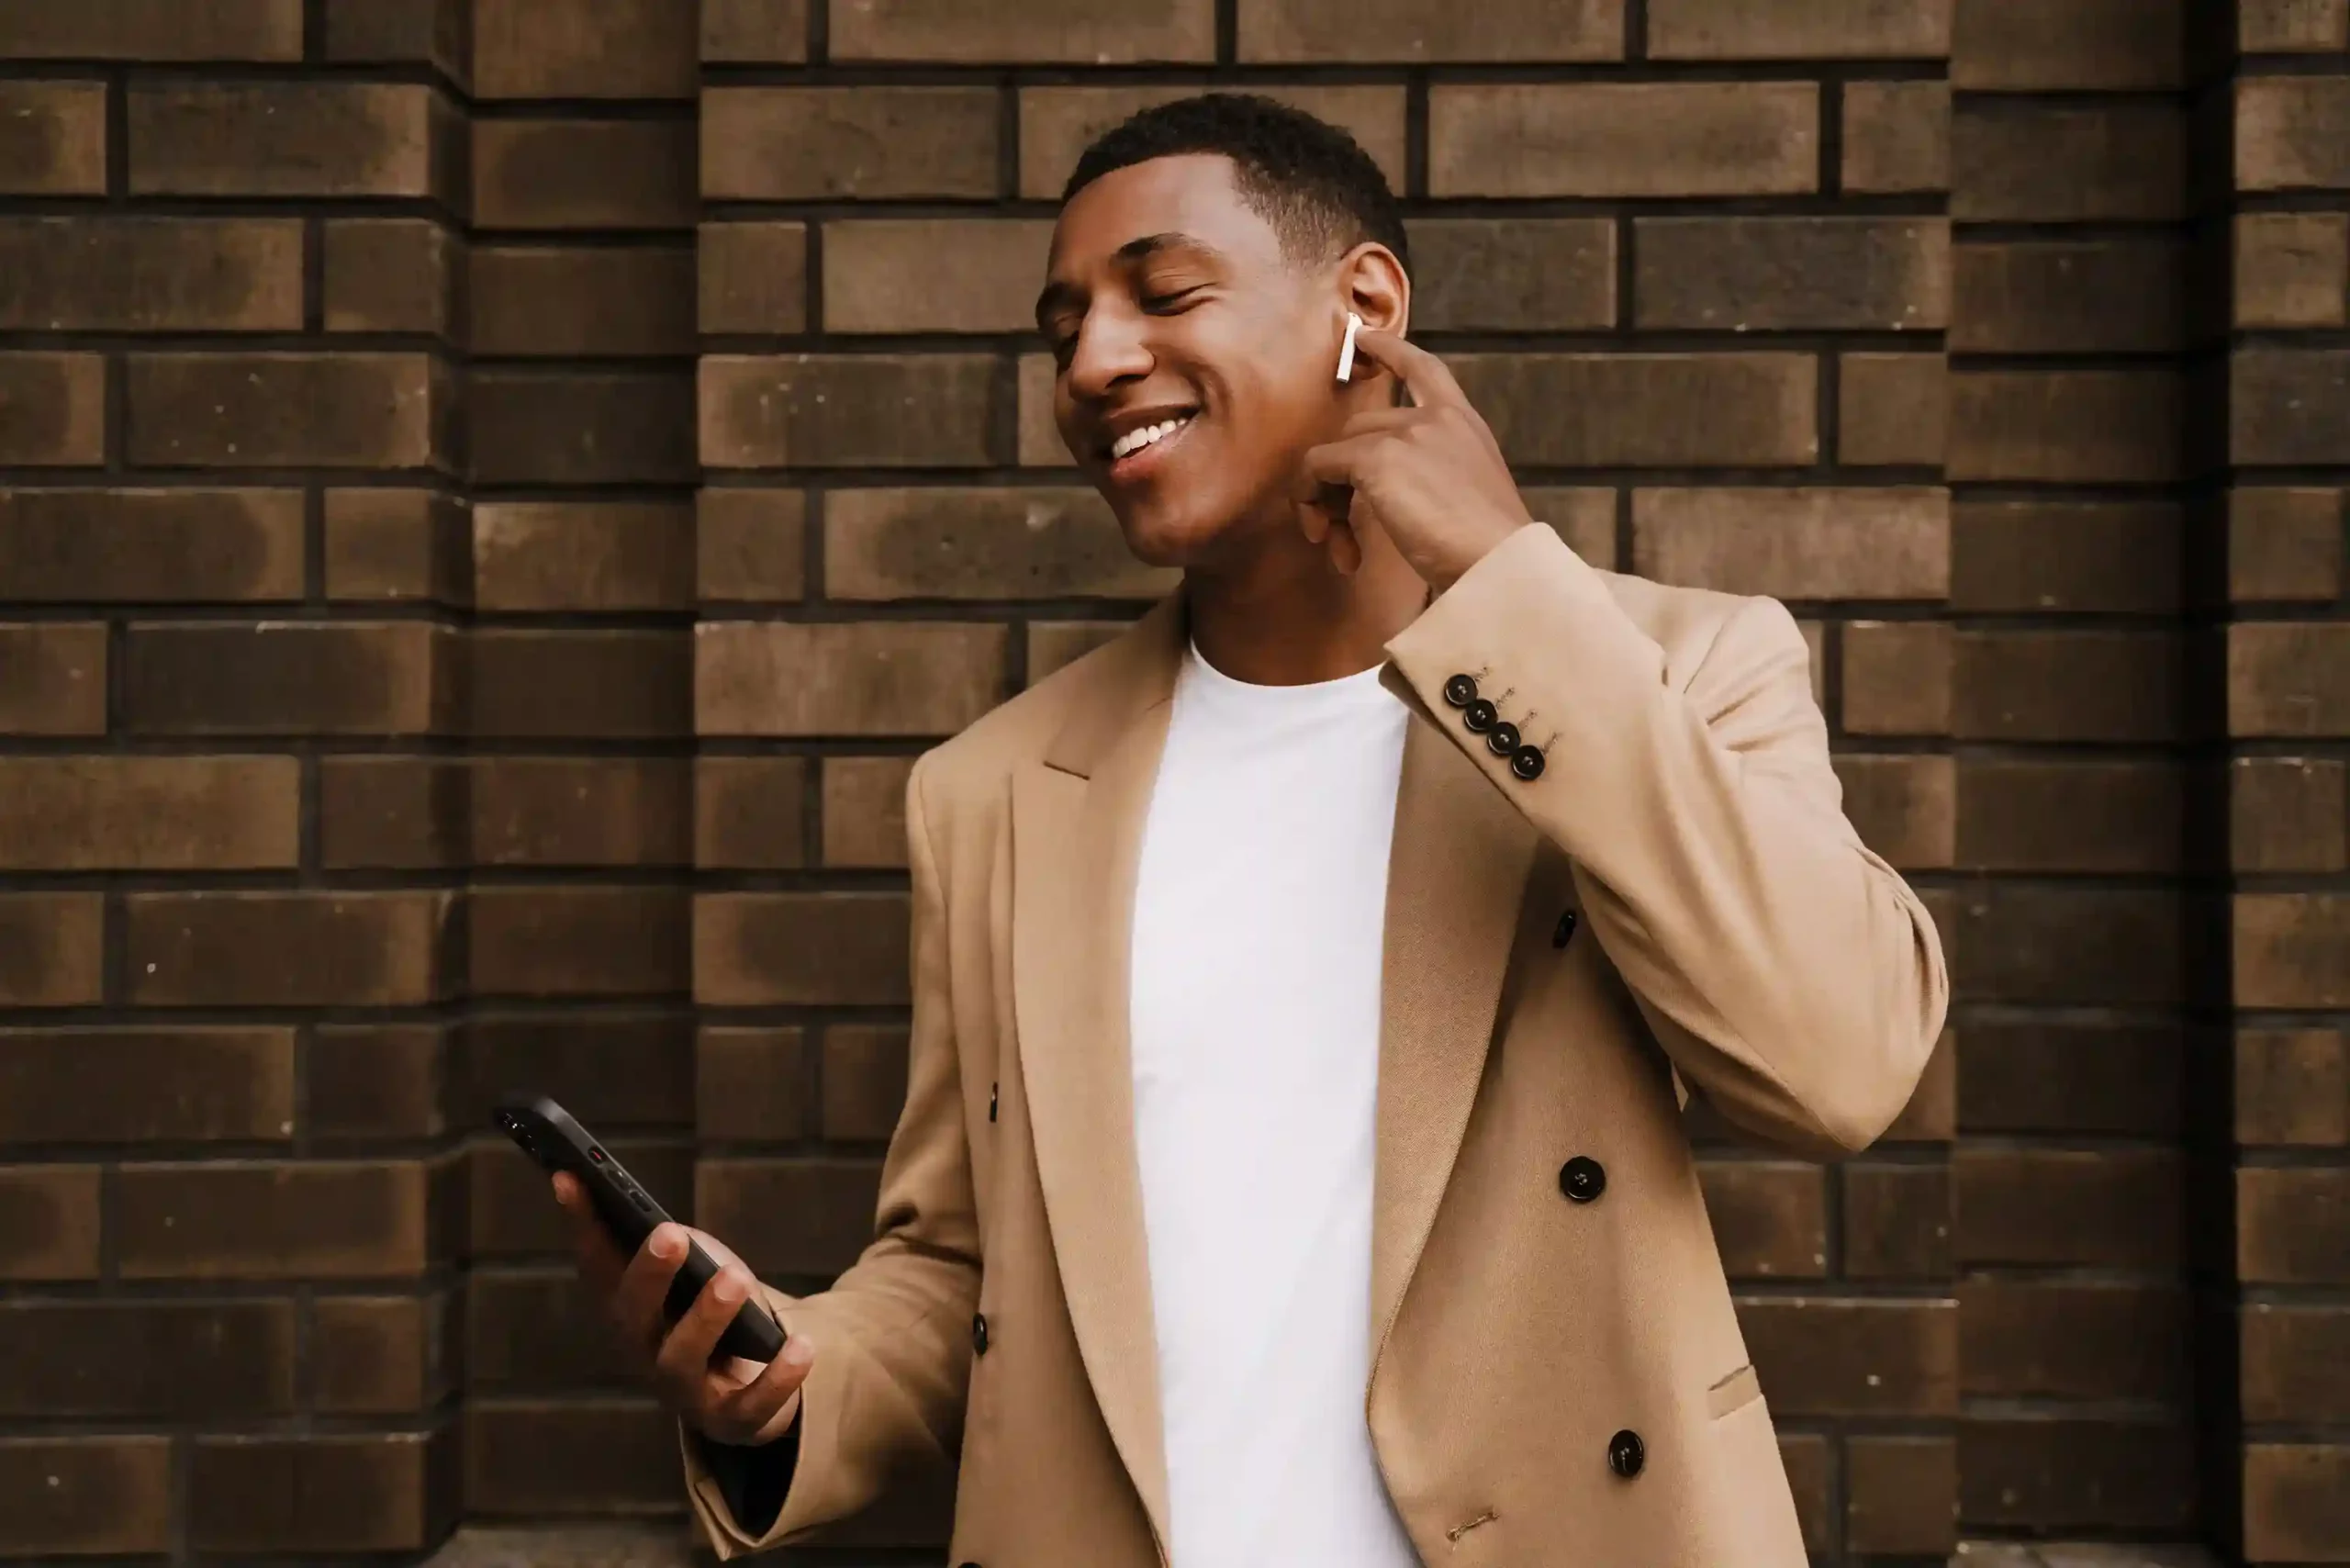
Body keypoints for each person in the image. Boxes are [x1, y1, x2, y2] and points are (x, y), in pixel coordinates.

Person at [555, 93, 1949, 1566]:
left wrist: (1505, 584)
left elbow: (1838, 1061)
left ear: (1364, 307)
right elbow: (965, 1270)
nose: (1094, 362)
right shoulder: (995, 789)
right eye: (1063, 327)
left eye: (1165, 293)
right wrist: (780, 1387)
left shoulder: (1681, 667)